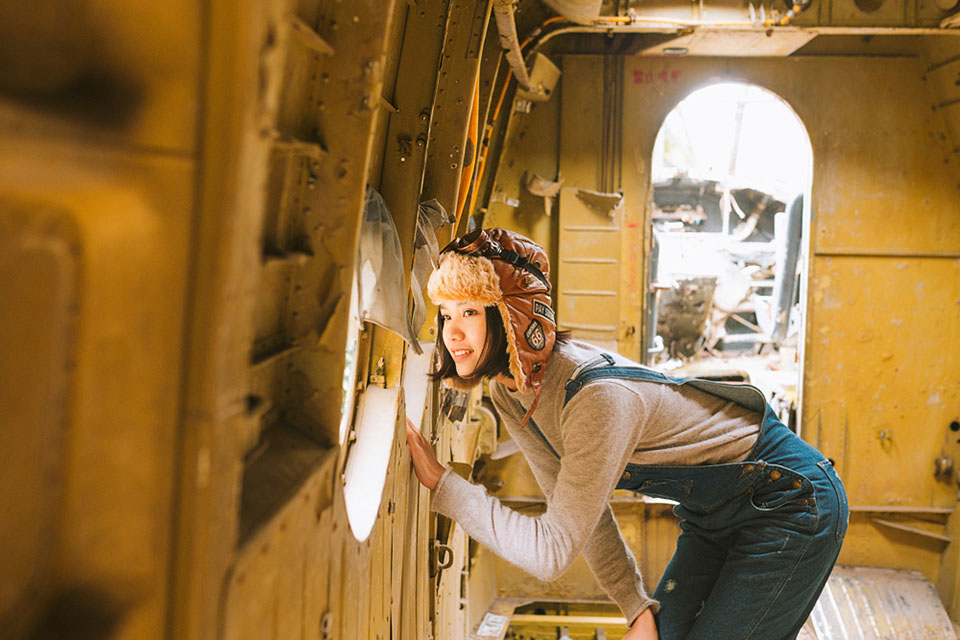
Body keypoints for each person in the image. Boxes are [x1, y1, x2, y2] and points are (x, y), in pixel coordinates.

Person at [405, 227, 847, 640]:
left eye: (470, 312)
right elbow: (580, 511)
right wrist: (636, 608)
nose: (453, 332)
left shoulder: (594, 400)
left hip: (790, 499)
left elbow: (551, 553)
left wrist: (445, 486)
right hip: (714, 516)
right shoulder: (512, 393)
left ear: (513, 316)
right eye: (445, 315)